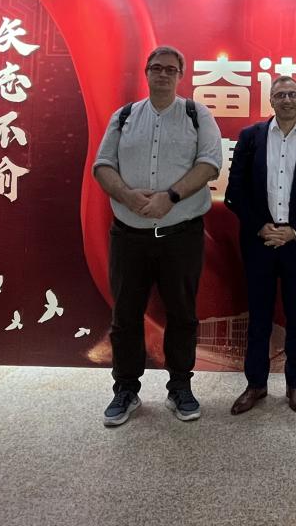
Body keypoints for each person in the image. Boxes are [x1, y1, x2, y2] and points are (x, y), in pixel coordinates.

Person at [92, 45, 222, 427]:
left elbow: (210, 164)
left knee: (182, 314)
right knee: (125, 316)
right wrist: (127, 195)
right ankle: (125, 390)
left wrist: (171, 197)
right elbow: (102, 165)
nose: (163, 74)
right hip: (129, 236)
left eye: (170, 69)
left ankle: (180, 387)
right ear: (146, 73)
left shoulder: (197, 115)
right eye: (156, 68)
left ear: (181, 75)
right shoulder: (124, 117)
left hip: (180, 234)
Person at [224, 76, 296, 415]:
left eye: (292, 94)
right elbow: (235, 191)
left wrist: (293, 231)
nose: (287, 99)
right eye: (280, 94)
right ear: (270, 100)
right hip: (259, 242)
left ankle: (295, 384)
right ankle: (255, 384)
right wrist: (261, 227)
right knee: (259, 316)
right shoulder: (250, 137)